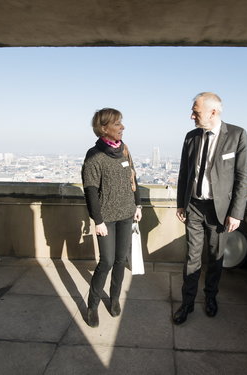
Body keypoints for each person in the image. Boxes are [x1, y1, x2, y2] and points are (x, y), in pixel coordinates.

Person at [173, 92, 247, 325]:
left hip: (220, 210)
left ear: (213, 112)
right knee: (192, 257)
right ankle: (187, 303)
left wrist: (236, 212)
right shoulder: (191, 137)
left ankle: (210, 298)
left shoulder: (237, 135)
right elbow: (185, 173)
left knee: (215, 258)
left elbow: (241, 176)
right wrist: (180, 203)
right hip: (194, 206)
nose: (191, 116)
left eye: (196, 111)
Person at [82, 108, 142, 328]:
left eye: (121, 123)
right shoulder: (94, 156)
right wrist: (97, 221)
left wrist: (138, 204)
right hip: (106, 217)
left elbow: (133, 178)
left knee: (120, 260)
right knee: (106, 261)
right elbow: (90, 191)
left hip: (127, 214)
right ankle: (92, 305)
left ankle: (114, 299)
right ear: (103, 128)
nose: (122, 127)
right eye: (117, 124)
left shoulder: (124, 150)